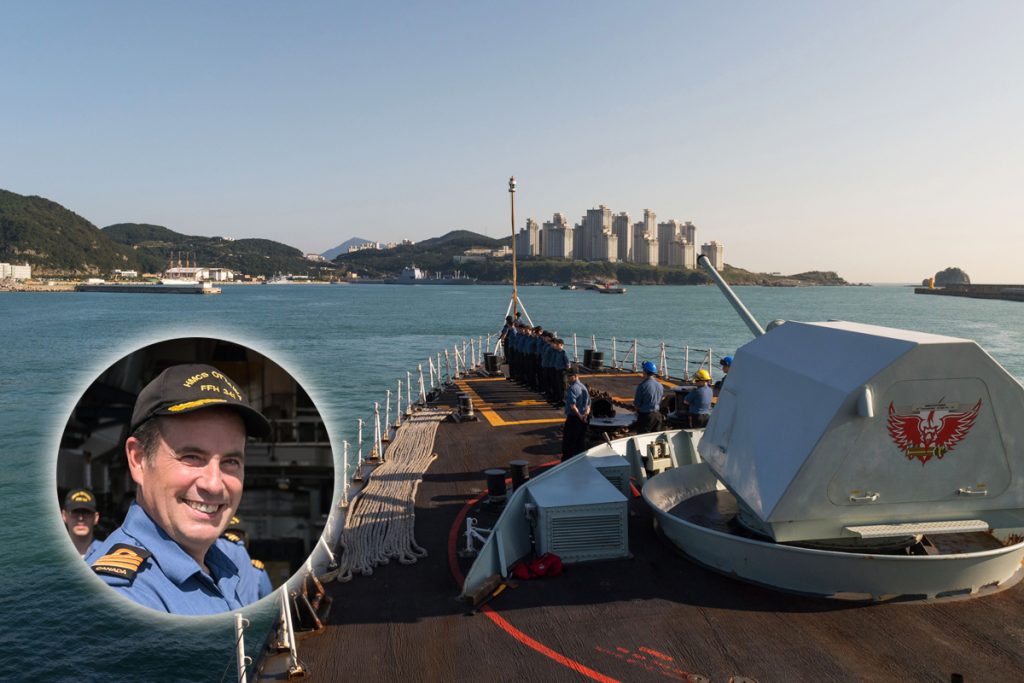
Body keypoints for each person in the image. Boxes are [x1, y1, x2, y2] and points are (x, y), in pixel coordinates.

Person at [89, 363, 273, 615]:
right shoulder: (123, 594)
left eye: (231, 461)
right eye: (191, 457)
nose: (213, 483)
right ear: (139, 460)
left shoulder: (231, 562)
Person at [561, 366, 591, 460]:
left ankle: (565, 465)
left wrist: (580, 416)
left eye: (570, 376)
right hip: (583, 420)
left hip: (574, 419)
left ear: (575, 376)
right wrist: (585, 415)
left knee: (568, 445)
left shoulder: (572, 389)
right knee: (580, 444)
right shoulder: (583, 387)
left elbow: (573, 406)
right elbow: (589, 404)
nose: (568, 378)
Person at [62, 487, 100, 559]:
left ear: (96, 518)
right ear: (64, 516)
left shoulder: (107, 553)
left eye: (86, 512)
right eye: (74, 512)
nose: (80, 518)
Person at [633, 361, 665, 434]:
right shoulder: (660, 385)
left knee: (643, 438)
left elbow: (637, 404)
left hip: (646, 416)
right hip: (657, 416)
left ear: (645, 371)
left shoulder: (642, 386)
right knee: (655, 439)